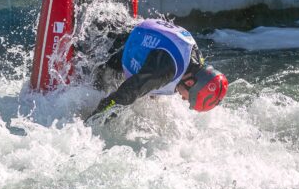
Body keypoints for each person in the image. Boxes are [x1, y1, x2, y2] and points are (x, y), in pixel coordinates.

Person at [87, 19, 228, 121]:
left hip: (131, 25)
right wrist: (94, 120)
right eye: (188, 99)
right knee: (98, 87)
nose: (184, 100)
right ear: (190, 83)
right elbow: (127, 92)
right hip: (111, 45)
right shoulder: (166, 70)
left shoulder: (196, 61)